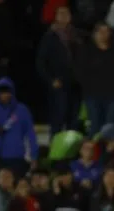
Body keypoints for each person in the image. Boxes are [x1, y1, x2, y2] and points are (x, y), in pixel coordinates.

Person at [0, 77, 38, 178]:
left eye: (7, 92)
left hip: (18, 158)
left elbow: (30, 134)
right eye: (2, 92)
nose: (5, 95)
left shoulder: (22, 110)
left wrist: (33, 156)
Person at [36, 5, 79, 136]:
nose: (64, 16)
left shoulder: (77, 35)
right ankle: (55, 149)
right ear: (55, 17)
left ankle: (72, 150)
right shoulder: (49, 37)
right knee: (58, 118)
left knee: (74, 119)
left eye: (66, 13)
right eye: (61, 13)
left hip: (75, 83)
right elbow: (41, 62)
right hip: (59, 83)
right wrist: (51, 80)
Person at [78, 22, 114, 137]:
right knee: (94, 126)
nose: (103, 34)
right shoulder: (86, 51)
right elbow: (80, 72)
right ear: (94, 34)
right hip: (92, 96)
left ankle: (108, 153)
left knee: (109, 127)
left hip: (112, 96)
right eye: (100, 31)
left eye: (106, 31)